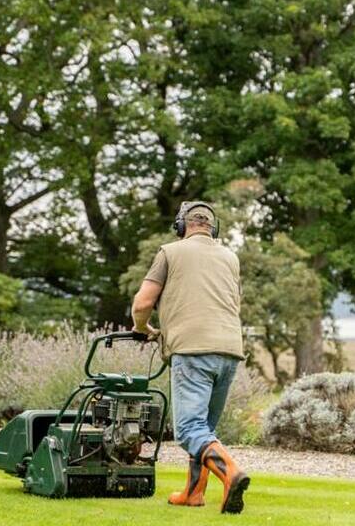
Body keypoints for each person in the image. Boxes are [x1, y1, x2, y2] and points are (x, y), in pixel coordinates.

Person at [131, 201, 249, 514]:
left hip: (193, 350)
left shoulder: (170, 252)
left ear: (181, 225)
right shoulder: (230, 257)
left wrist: (141, 328)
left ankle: (231, 473)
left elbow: (143, 303)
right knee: (204, 428)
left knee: (188, 430)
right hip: (229, 350)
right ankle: (194, 493)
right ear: (213, 228)